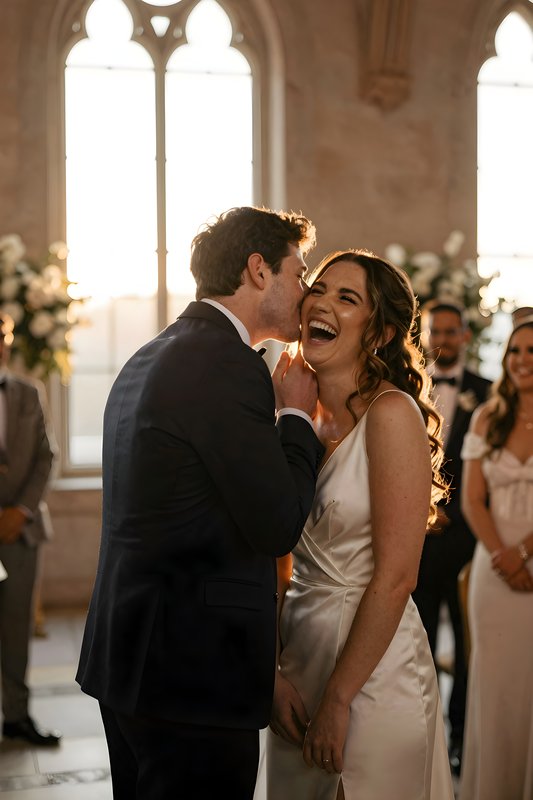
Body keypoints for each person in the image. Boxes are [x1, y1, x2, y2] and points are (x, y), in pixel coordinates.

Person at [76, 206, 325, 800]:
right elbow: (277, 525)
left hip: (132, 657)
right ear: (259, 270)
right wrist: (295, 416)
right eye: (300, 269)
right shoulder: (226, 364)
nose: (307, 287)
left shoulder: (152, 353)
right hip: (194, 674)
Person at [264, 250, 454, 799]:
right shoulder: (290, 414)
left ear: (380, 334)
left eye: (347, 298)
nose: (321, 302)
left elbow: (397, 577)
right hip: (298, 655)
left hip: (374, 670)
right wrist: (272, 672)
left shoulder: (392, 415)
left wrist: (340, 698)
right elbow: (272, 552)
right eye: (318, 289)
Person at [412, 301, 490, 774]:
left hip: (465, 543)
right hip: (416, 544)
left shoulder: (487, 392)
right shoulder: (407, 388)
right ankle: (423, 736)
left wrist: (458, 521)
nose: (441, 339)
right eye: (433, 331)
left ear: (464, 335)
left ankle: (460, 738)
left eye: (449, 331)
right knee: (417, 644)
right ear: (422, 335)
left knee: (466, 646)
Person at [459, 315, 533, 800]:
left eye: (532, 352)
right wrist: (503, 554)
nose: (523, 360)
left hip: (527, 559)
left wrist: (525, 551)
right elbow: (471, 499)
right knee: (496, 684)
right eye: (515, 351)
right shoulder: (488, 415)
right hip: (494, 568)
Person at [0, 314, 60, 747]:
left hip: (20, 532)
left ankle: (17, 717)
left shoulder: (27, 392)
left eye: (1, 337)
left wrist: (21, 510)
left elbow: (46, 455)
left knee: (16, 628)